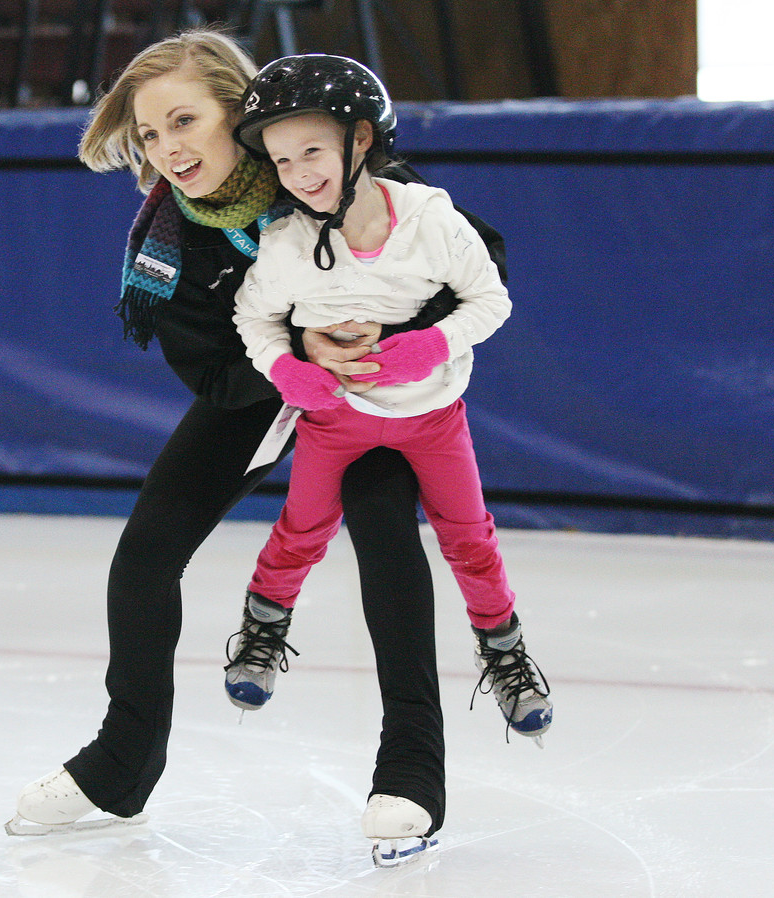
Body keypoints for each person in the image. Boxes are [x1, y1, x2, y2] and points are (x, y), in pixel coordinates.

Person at [5, 30, 504, 866]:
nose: (166, 149)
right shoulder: (167, 238)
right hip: (261, 393)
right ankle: (121, 765)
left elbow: (476, 260)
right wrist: (291, 364)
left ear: (243, 116)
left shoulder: (337, 174)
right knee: (144, 557)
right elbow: (205, 365)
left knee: (385, 536)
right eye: (150, 133)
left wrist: (388, 340)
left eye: (184, 121)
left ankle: (413, 772)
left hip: (374, 389)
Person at [227, 54, 552, 749]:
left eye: (311, 150)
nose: (299, 174)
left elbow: (491, 299)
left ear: (363, 139)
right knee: (302, 527)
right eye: (282, 162)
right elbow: (252, 318)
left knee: (470, 538)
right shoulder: (287, 243)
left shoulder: (432, 221)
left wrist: (433, 344)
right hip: (334, 421)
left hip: (432, 418)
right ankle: (263, 628)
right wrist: (285, 368)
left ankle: (504, 652)